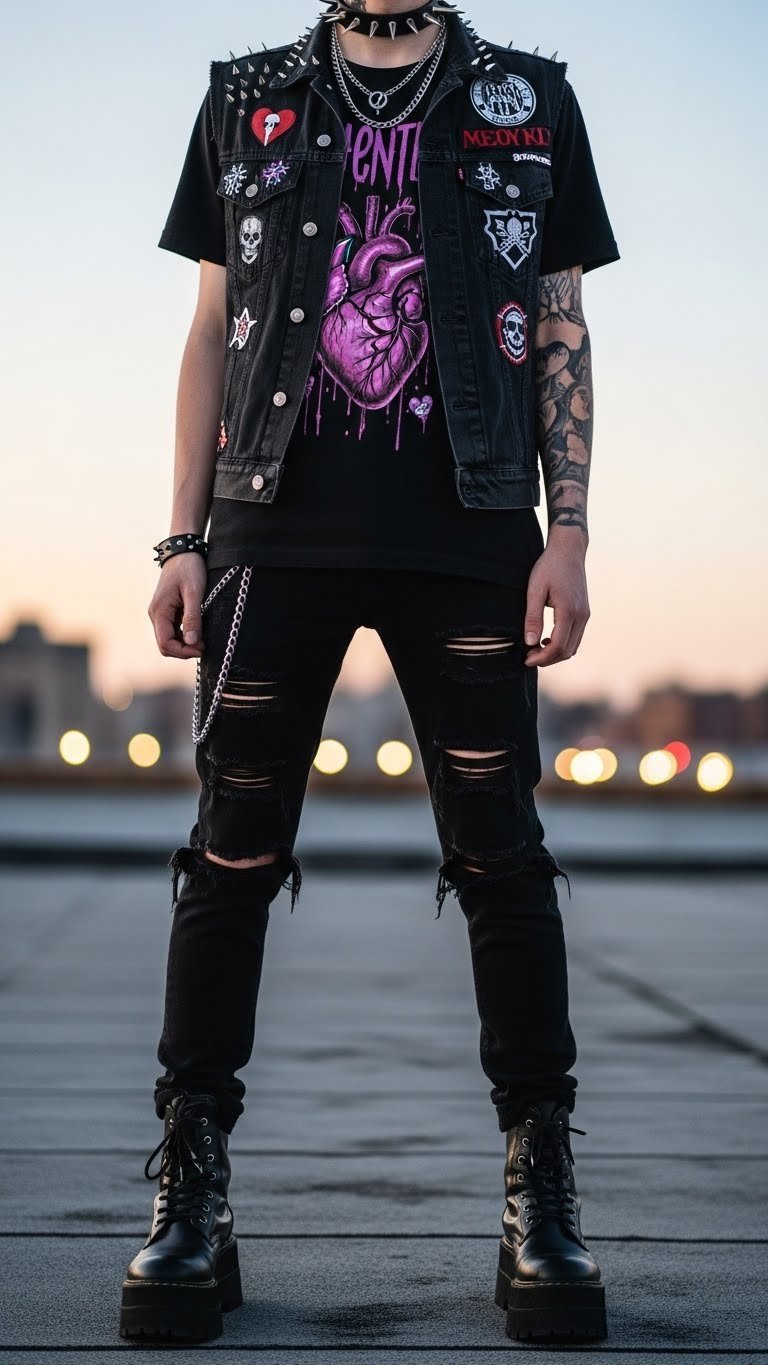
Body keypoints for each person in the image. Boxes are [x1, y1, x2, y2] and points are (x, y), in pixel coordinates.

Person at [118, 0, 619, 1345]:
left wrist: (567, 532)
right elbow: (213, 325)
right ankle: (191, 1196)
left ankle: (541, 1189)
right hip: (269, 528)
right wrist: (181, 537)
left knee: (503, 853)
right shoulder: (249, 96)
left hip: (468, 528)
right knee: (227, 853)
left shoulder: (526, 98)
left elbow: (560, 328)